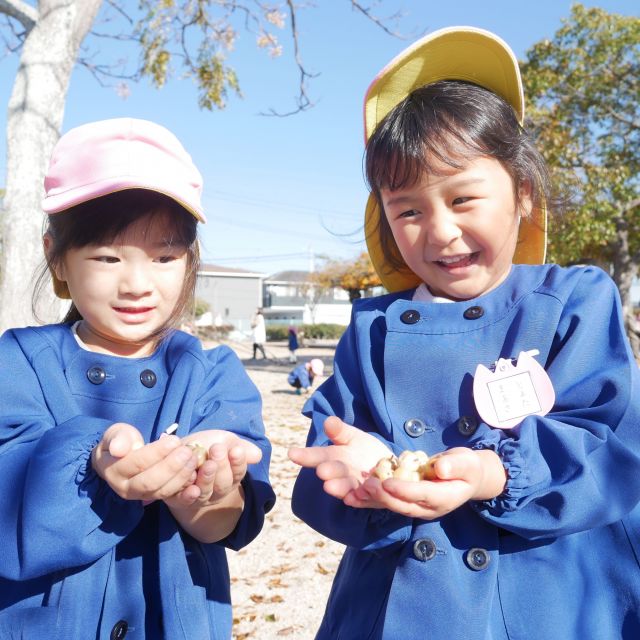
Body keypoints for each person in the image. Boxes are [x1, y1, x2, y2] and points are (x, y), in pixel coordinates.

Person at [288, 26, 640, 640]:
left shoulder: (573, 301)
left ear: (523, 193)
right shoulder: (371, 328)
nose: (441, 232)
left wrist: (496, 473)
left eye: (463, 198)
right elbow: (327, 454)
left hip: (554, 598)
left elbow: (610, 445)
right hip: (399, 604)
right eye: (409, 210)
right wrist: (362, 480)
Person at [0, 118, 275, 639]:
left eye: (165, 257)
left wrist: (206, 491)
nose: (137, 283)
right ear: (55, 257)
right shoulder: (16, 363)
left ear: (189, 260)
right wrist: (92, 460)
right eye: (107, 256)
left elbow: (224, 522)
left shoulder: (213, 376)